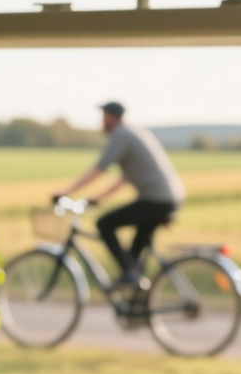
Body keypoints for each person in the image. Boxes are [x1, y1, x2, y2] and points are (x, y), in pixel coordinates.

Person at [54, 101, 186, 289]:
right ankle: (137, 295)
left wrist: (65, 192)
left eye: (104, 117)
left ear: (113, 117)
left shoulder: (121, 135)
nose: (102, 121)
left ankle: (130, 274)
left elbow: (99, 169)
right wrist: (99, 197)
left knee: (105, 223)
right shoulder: (134, 132)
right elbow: (125, 178)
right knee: (133, 255)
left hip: (156, 200)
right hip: (167, 199)